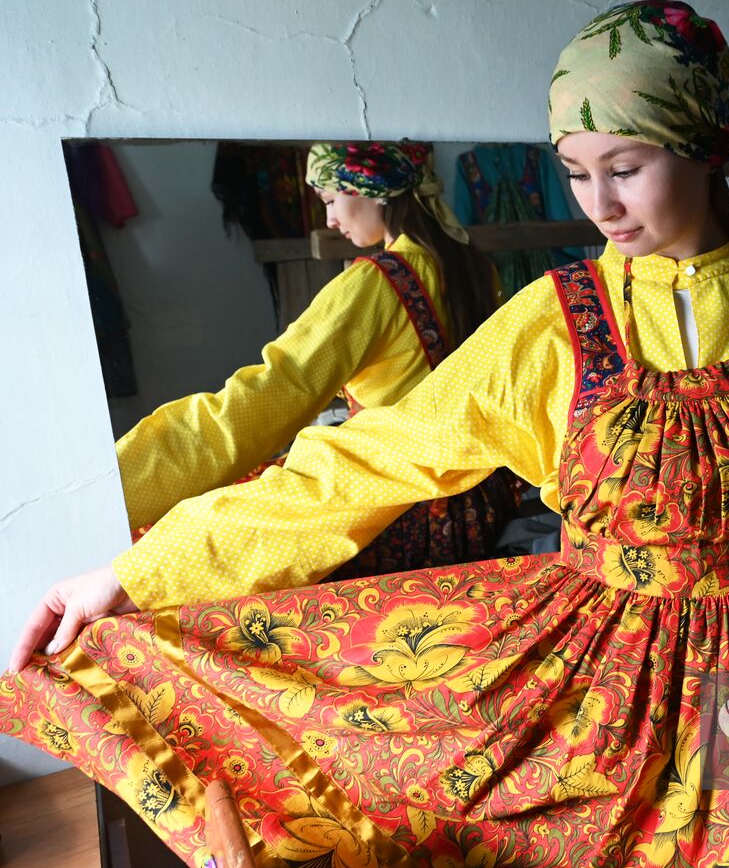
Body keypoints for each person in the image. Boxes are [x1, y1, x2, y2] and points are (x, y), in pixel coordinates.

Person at [4, 1, 729, 868]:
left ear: (706, 150)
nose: (598, 204)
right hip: (608, 691)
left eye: (625, 168)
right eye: (577, 173)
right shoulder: (556, 320)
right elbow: (368, 462)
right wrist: (140, 572)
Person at [119, 141, 517, 572]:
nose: (329, 219)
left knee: (175, 541)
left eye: (331, 199)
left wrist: (129, 479)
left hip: (401, 507)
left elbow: (273, 394)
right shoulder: (473, 268)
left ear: (374, 189)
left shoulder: (374, 283)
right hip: (479, 499)